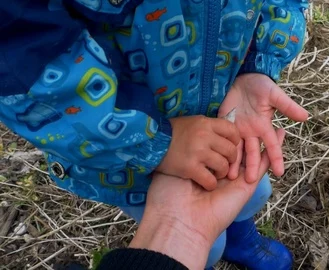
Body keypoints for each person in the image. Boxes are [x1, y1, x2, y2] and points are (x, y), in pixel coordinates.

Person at [0, 0, 309, 268]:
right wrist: (152, 143)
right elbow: (21, 53)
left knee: (253, 189)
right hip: (133, 148)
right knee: (191, 230)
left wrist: (258, 60)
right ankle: (200, 259)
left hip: (228, 98)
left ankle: (240, 238)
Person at [96, 129, 285, 270]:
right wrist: (158, 145)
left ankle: (241, 241)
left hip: (219, 120)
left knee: (251, 188)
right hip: (136, 168)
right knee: (207, 245)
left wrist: (253, 75)